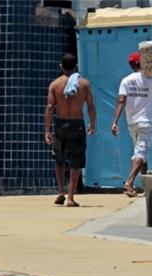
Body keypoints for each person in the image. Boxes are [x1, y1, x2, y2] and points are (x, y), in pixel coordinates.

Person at [44, 53, 96, 207]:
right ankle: (71, 197)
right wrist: (92, 123)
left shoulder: (55, 84)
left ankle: (61, 191)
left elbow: (49, 107)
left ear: (61, 66)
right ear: (76, 67)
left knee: (59, 159)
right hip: (77, 124)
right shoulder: (84, 84)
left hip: (60, 124)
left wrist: (47, 130)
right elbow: (91, 106)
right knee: (76, 162)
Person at [111, 52, 152, 197]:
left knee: (141, 153)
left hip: (132, 122)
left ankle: (144, 186)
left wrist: (115, 122)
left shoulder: (126, 81)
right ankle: (129, 183)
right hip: (147, 122)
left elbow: (121, 101)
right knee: (141, 152)